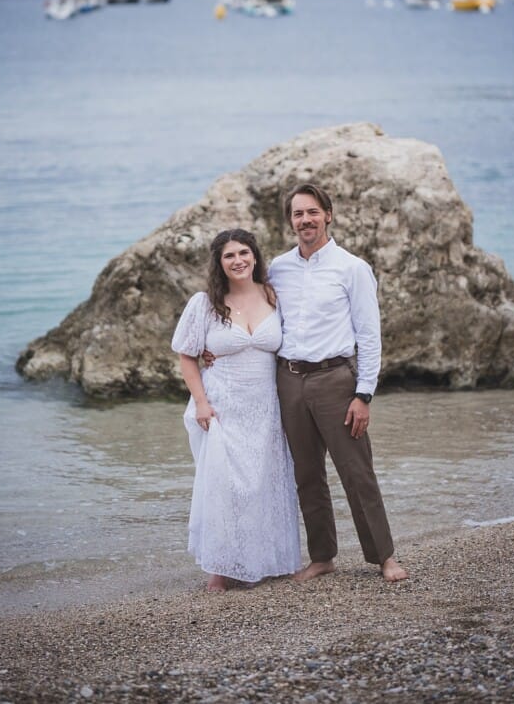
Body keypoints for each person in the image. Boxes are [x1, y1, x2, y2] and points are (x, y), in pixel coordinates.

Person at [265, 183, 408, 583]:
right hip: (289, 380)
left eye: (312, 212)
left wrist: (364, 394)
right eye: (298, 214)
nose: (305, 220)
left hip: (335, 380)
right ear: (290, 221)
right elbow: (252, 313)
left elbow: (369, 336)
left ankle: (384, 557)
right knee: (307, 475)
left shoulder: (352, 268)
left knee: (357, 472)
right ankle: (322, 556)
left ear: (328, 215)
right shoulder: (278, 268)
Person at [172, 229, 302, 591]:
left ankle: (267, 560)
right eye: (229, 255)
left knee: (266, 483)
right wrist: (201, 403)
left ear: (255, 256)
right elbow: (186, 356)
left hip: (266, 407)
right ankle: (221, 567)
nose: (238, 260)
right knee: (224, 486)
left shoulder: (273, 296)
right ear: (219, 263)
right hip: (222, 406)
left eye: (244, 252)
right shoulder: (205, 303)